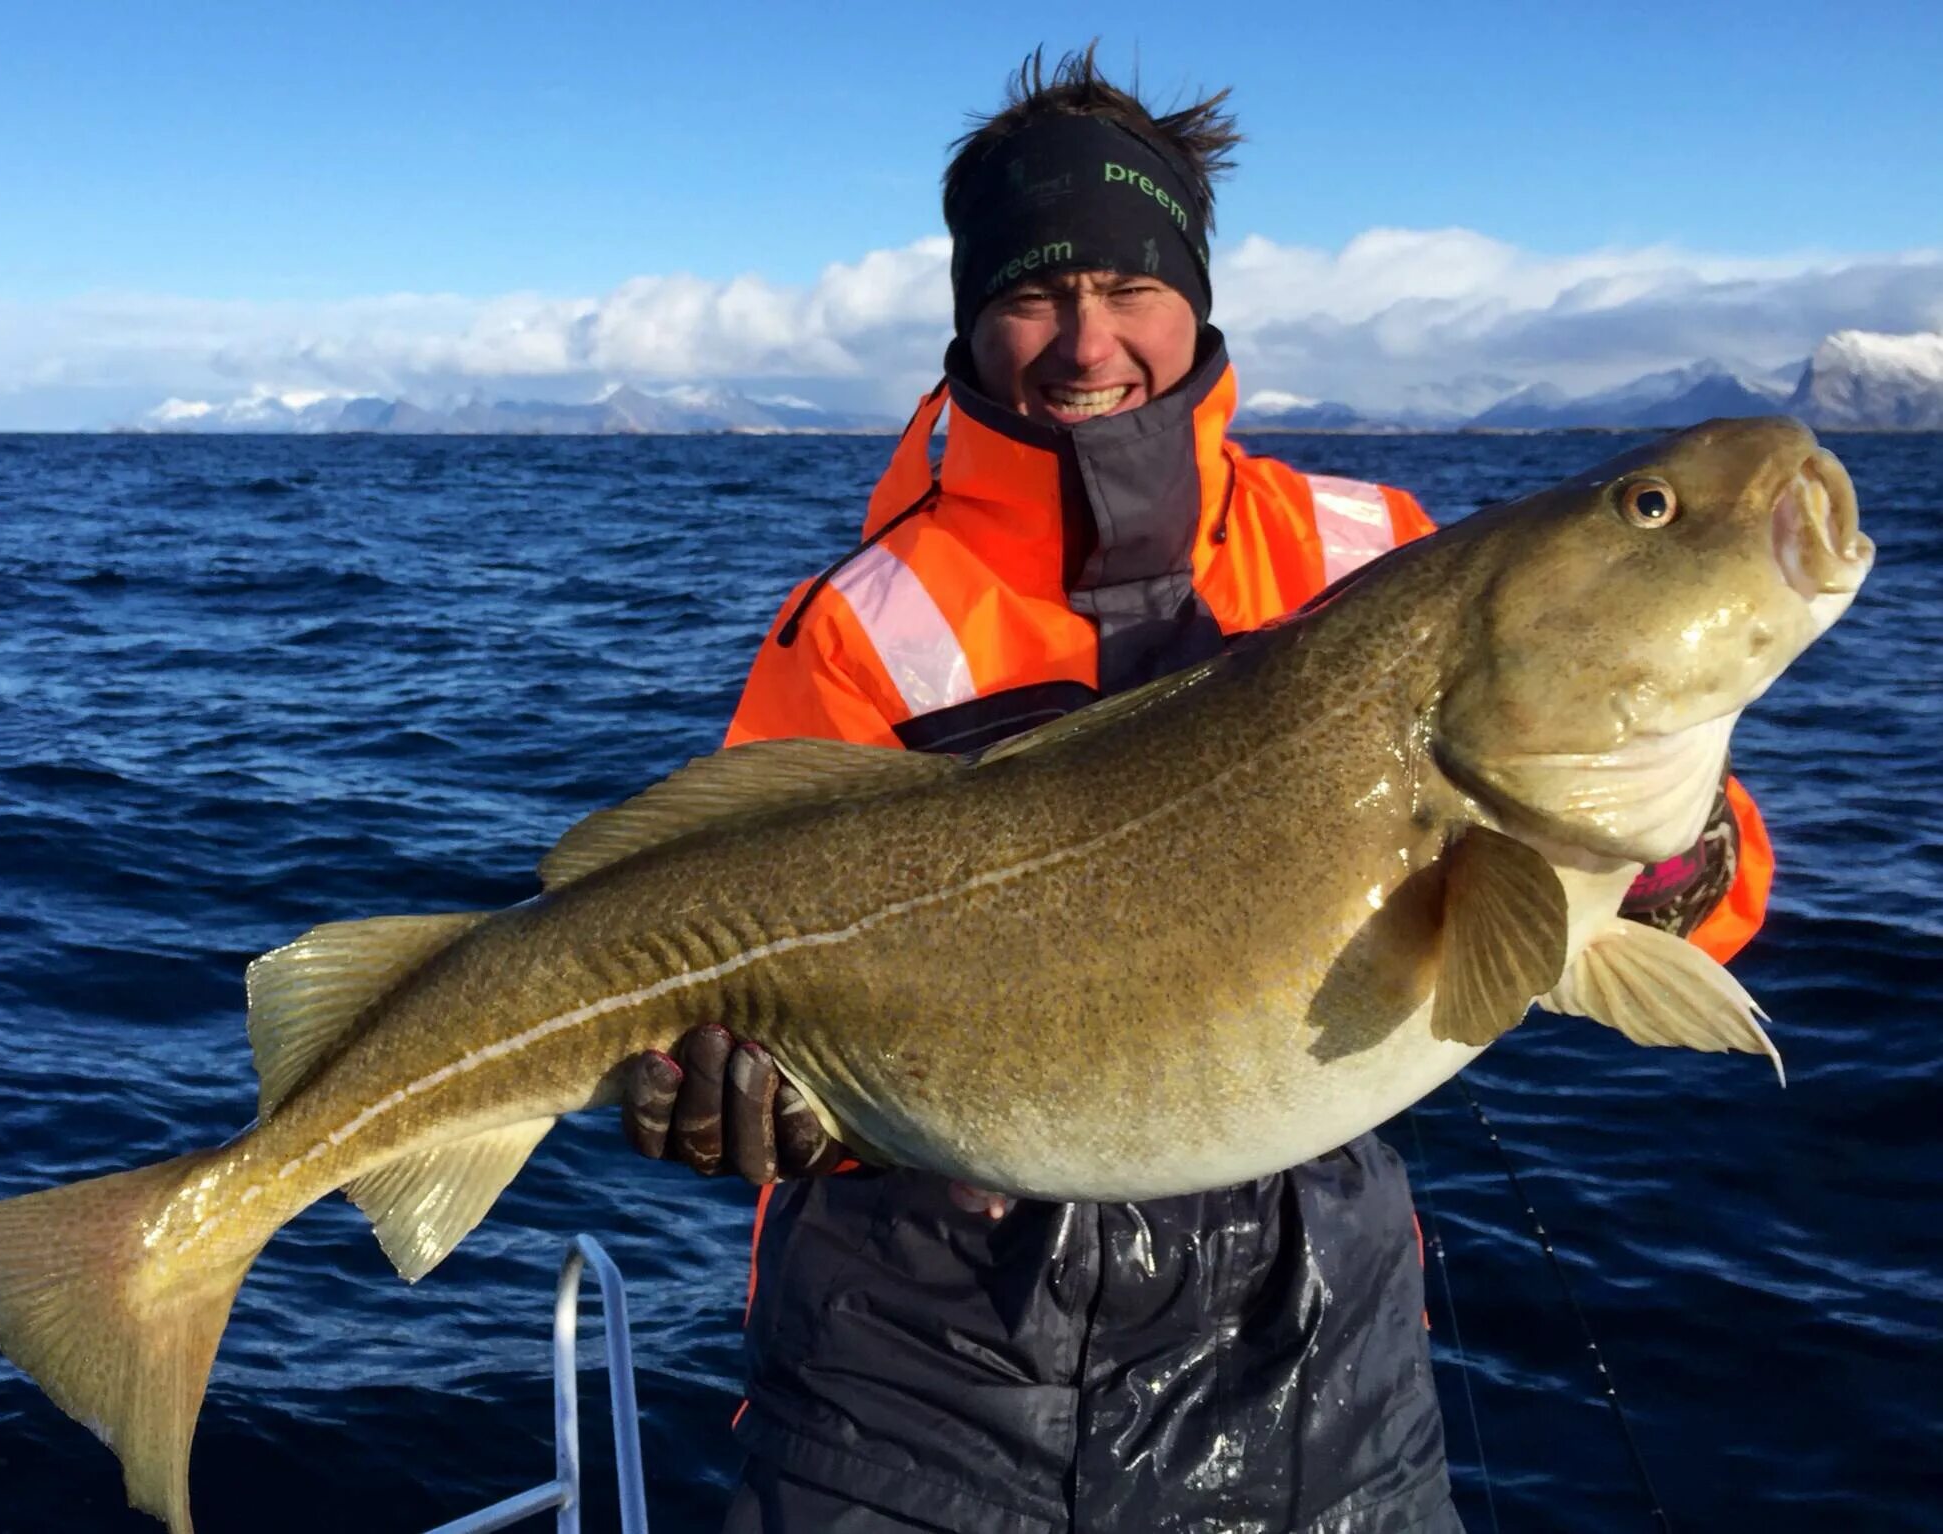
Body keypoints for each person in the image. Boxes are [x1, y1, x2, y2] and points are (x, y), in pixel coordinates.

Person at [624, 48, 1775, 1534]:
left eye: (1128, 285)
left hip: (1314, 1376)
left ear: (1198, 292)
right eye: (1033, 291)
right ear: (973, 314)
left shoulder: (1380, 552)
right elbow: (757, 952)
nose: (1085, 339)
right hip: (911, 1396)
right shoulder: (867, 620)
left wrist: (1672, 866)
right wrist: (774, 1105)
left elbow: (1677, 894)